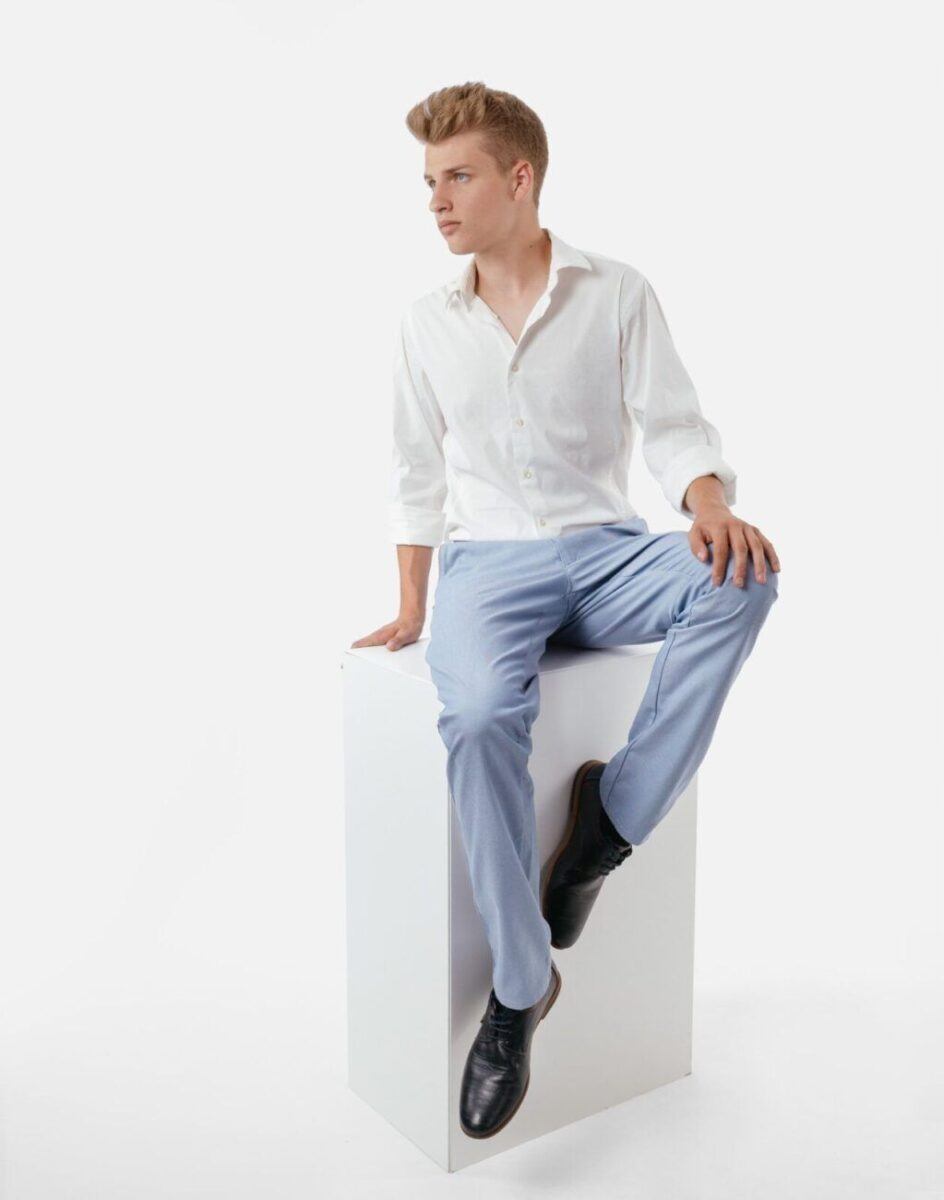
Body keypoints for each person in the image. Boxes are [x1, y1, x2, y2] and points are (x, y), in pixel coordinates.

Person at [351, 81, 781, 1140]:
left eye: (457, 177)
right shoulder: (424, 323)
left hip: (605, 551)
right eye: (428, 181)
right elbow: (415, 473)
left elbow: (673, 426)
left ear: (519, 177)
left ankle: (606, 828)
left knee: (744, 575)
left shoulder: (615, 291)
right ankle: (519, 983)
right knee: (478, 716)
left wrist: (709, 506)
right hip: (489, 568)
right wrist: (412, 605)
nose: (436, 201)